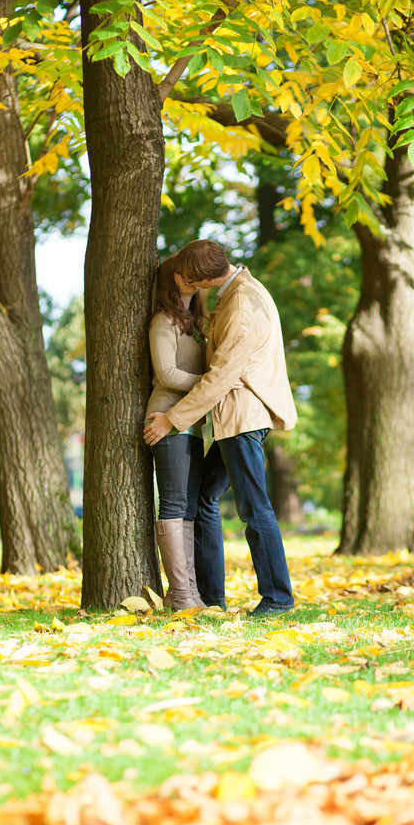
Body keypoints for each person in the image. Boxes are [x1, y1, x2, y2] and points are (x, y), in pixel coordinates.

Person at [144, 240, 297, 616]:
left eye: (185, 275)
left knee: (254, 507)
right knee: (204, 498)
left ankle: (278, 597)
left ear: (204, 279)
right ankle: (211, 597)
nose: (179, 279)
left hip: (243, 420)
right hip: (234, 421)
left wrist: (172, 419)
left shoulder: (241, 308)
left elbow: (218, 379)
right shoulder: (236, 293)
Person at [145, 256, 207, 609]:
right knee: (174, 504)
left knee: (189, 510)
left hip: (191, 424)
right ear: (171, 279)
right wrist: (210, 385)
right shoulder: (163, 321)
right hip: (165, 421)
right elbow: (167, 373)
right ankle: (180, 594)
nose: (192, 279)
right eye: (184, 274)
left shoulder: (193, 325)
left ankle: (190, 594)